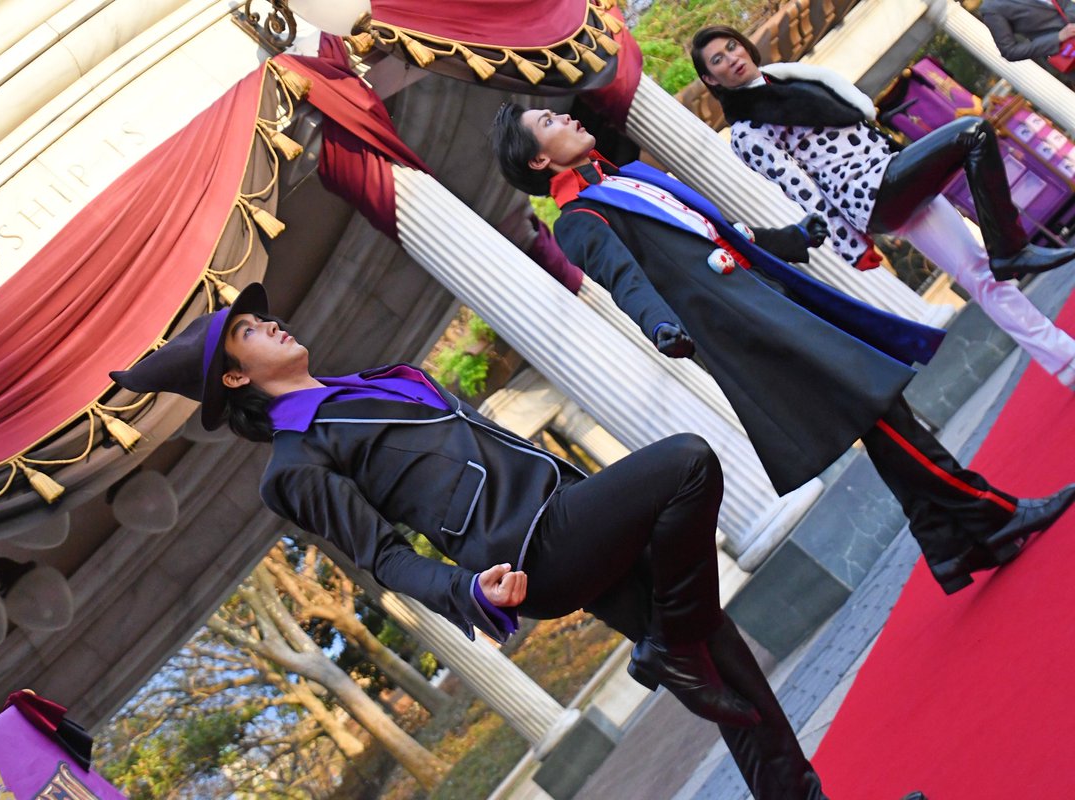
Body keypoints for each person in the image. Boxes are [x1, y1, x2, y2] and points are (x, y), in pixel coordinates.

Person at [110, 284, 848, 798]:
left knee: (726, 671)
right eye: (249, 331)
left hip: (564, 506)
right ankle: (670, 643)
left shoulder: (368, 383)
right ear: (234, 377)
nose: (272, 325)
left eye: (261, 317)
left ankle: (746, 730)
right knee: (688, 461)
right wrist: (465, 590)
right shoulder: (293, 465)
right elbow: (383, 558)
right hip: (531, 552)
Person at [490, 101, 1075, 598]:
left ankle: (950, 543)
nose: (565, 117)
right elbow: (628, 283)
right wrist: (660, 327)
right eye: (548, 122)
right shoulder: (579, 220)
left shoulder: (625, 177)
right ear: (539, 160)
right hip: (746, 334)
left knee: (876, 413)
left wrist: (788, 241)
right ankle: (990, 513)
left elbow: (716, 234)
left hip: (772, 304)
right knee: (876, 410)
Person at [688, 25, 1075, 389]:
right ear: (711, 79)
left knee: (978, 273)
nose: (731, 58)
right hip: (869, 193)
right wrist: (849, 244)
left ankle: (1064, 359)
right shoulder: (745, 132)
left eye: (732, 46)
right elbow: (800, 189)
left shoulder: (788, 78)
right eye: (718, 60)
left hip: (892, 170)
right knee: (973, 133)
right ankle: (1010, 249)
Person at [980, 0, 1075, 88]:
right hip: (1068, 52)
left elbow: (1066, 4)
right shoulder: (991, 7)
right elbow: (1009, 51)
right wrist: (1058, 37)